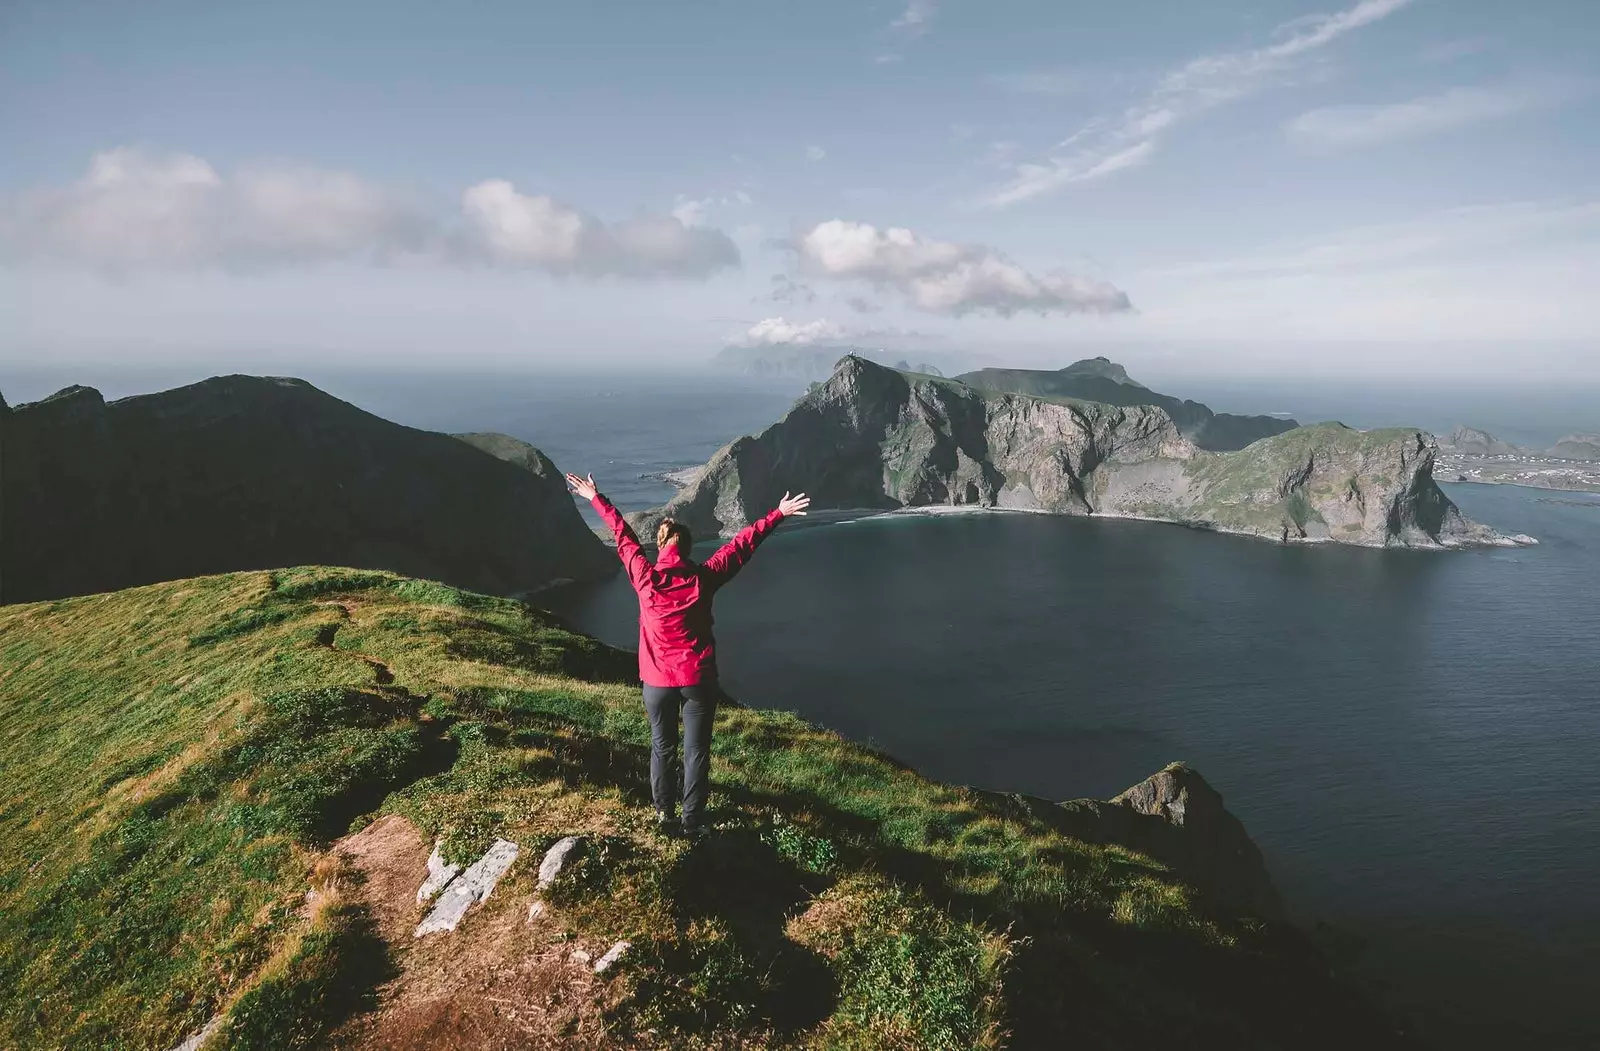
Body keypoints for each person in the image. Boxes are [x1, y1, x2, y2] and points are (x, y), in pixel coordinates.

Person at [565, 472, 810, 836]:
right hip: (697, 680)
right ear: (689, 548)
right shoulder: (703, 578)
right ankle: (692, 821)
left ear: (660, 546)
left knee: (662, 747)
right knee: (696, 753)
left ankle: (664, 815)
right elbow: (741, 546)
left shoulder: (644, 577)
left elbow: (623, 537)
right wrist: (777, 514)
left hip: (657, 681)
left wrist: (595, 498)